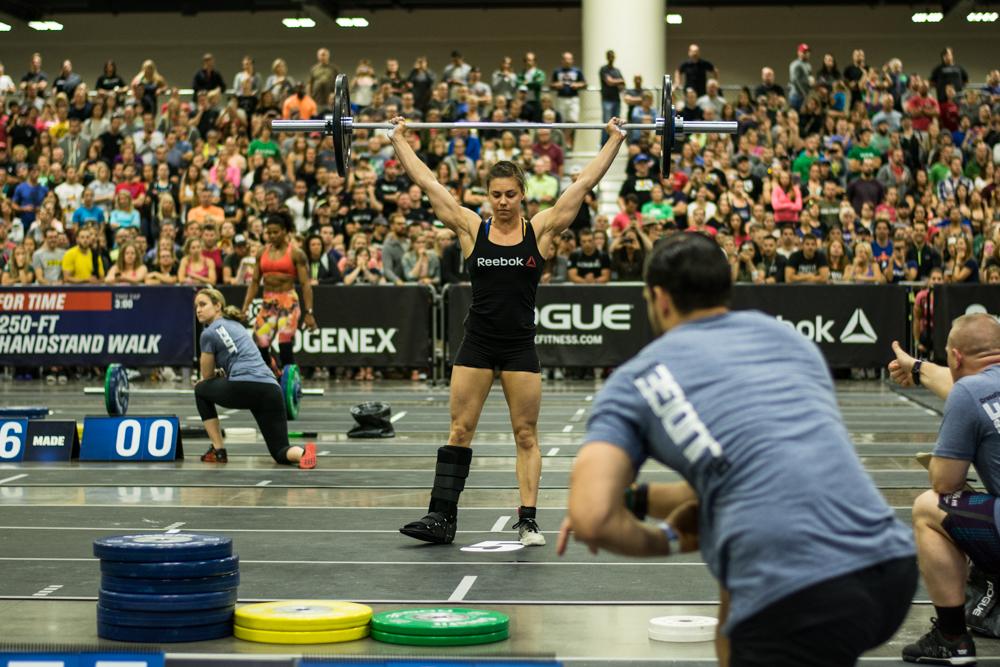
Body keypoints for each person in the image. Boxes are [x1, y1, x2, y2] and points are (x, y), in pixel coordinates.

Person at [558, 232, 917, 667]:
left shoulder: (634, 381)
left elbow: (591, 519)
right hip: (889, 568)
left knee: (753, 585)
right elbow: (765, 466)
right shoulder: (792, 343)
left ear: (658, 297)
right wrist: (638, 500)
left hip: (797, 588)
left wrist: (665, 542)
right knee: (737, 601)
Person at [388, 115, 628, 546]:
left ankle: (529, 521)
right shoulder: (469, 228)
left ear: (522, 195)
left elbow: (583, 185)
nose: (503, 202)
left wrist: (614, 139)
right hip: (477, 343)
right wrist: (399, 139)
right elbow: (428, 184)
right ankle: (441, 518)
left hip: (519, 346)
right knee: (460, 430)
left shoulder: (540, 230)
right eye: (496, 195)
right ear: (488, 196)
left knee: (525, 434)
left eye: (510, 195)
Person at [887, 315, 1000, 664]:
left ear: (955, 356)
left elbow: (945, 483)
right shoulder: (978, 387)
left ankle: (952, 638)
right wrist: (917, 367)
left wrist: (939, 462)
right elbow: (970, 389)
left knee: (928, 506)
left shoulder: (969, 392)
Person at [194, 288, 316, 469]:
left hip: (244, 387)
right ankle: (303, 454)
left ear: (218, 305)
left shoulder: (208, 333)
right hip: (271, 389)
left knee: (201, 390)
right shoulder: (236, 326)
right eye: (196, 306)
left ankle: (218, 450)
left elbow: (207, 376)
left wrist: (217, 374)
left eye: (203, 304)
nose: (198, 310)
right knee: (280, 451)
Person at [242, 212, 318, 375]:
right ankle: (276, 373)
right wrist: (245, 308)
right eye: (269, 232)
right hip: (268, 302)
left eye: (275, 232)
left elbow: (305, 284)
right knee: (260, 344)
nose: (272, 236)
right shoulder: (261, 252)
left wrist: (309, 312)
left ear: (285, 231)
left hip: (288, 302)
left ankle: (291, 380)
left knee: (285, 343)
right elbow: (255, 282)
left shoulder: (296, 253)